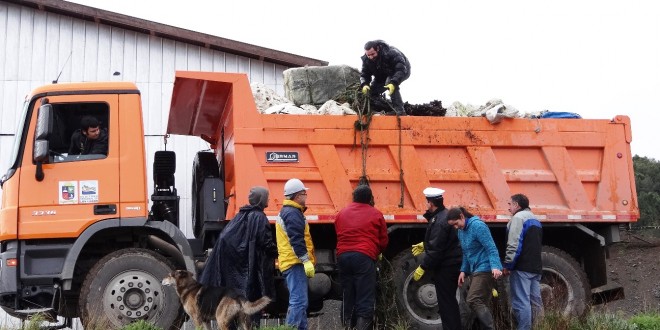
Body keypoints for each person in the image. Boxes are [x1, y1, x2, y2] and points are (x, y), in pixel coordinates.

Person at [198, 186, 277, 328]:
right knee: (252, 302)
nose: (269, 199)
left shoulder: (241, 216)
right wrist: (278, 252)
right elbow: (265, 242)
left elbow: (226, 239)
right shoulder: (259, 217)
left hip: (235, 271)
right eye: (267, 196)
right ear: (261, 199)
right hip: (250, 270)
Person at [334, 185, 388, 330]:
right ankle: (362, 326)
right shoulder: (376, 214)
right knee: (364, 295)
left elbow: (338, 232)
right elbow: (383, 240)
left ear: (354, 197)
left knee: (348, 294)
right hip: (364, 257)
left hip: (343, 257)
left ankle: (347, 325)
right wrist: (377, 252)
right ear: (370, 198)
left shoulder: (341, 213)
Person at [410, 187, 463, 330]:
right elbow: (440, 243)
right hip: (451, 264)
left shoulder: (439, 220)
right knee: (448, 301)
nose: (426, 205)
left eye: (427, 202)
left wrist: (423, 267)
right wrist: (426, 244)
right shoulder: (443, 216)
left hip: (447, 266)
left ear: (431, 203)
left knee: (446, 302)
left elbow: (437, 250)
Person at [446, 207, 503, 330]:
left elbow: (491, 247)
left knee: (473, 299)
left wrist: (495, 266)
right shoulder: (461, 231)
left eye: (456, 224)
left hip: (486, 268)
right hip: (475, 269)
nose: (455, 227)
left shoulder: (478, 226)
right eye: (453, 226)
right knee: (481, 302)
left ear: (462, 216)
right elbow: (466, 253)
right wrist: (463, 271)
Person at [276, 178, 316, 330]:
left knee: (300, 301)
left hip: (291, 262)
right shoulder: (293, 214)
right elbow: (297, 241)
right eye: (304, 193)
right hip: (295, 263)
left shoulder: (289, 212)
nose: (306, 196)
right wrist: (305, 260)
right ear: (298, 195)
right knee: (298, 301)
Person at [503, 194, 543, 330]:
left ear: (517, 205)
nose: (508, 208)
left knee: (521, 302)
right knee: (536, 302)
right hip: (535, 267)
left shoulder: (518, 218)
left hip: (522, 268)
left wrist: (508, 265)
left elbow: (514, 244)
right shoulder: (535, 219)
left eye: (510, 204)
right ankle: (540, 327)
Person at [360, 40, 411, 116]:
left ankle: (400, 111)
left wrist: (393, 82)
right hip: (382, 75)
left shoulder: (391, 53)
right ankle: (382, 109)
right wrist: (364, 84)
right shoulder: (367, 60)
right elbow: (364, 74)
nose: (370, 57)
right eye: (368, 55)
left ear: (378, 49)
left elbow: (400, 69)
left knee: (389, 82)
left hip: (402, 70)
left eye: (373, 54)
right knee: (371, 92)